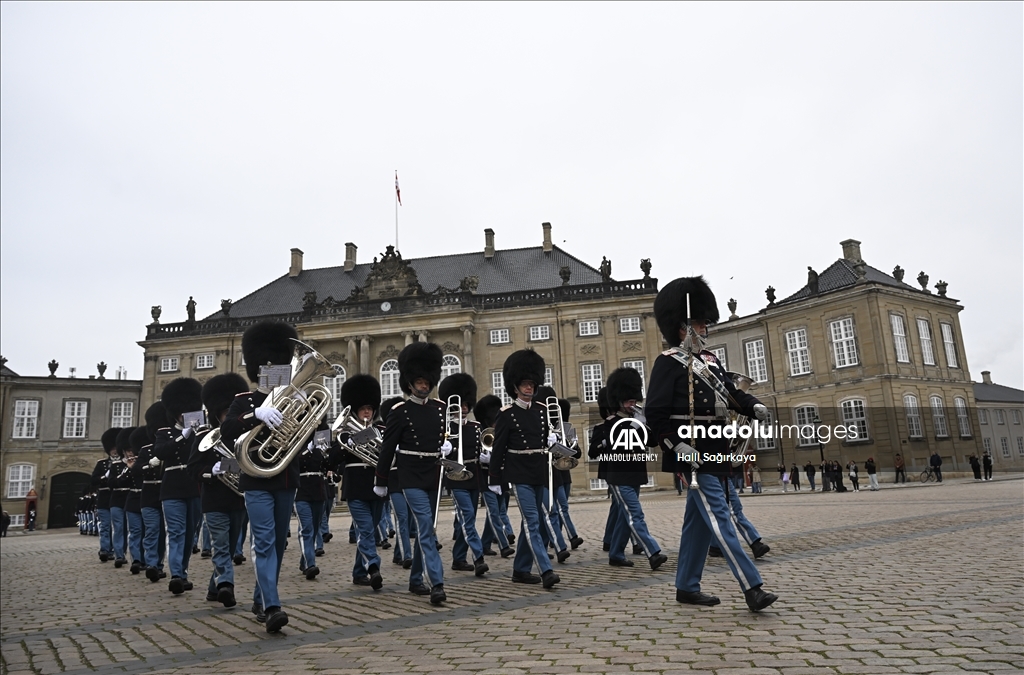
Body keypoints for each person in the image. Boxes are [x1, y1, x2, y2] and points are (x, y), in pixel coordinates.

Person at [647, 275, 778, 612]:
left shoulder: (712, 362)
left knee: (699, 523)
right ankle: (752, 586)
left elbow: (732, 396)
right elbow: (657, 416)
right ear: (682, 327)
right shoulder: (667, 362)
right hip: (692, 452)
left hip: (717, 449)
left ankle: (687, 586)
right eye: (700, 323)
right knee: (720, 517)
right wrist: (676, 447)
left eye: (705, 323)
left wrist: (754, 406)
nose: (705, 328)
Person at [220, 320, 308, 633]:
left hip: (285, 479)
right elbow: (227, 430)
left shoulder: (292, 400)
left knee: (279, 544)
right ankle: (272, 606)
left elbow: (304, 443)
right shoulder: (244, 401)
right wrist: (254, 415)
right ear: (260, 368)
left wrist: (300, 417)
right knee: (265, 541)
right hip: (255, 479)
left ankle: (261, 596)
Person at [373, 342, 449, 605]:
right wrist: (381, 481)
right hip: (410, 476)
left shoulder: (440, 410)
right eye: (418, 381)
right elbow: (388, 449)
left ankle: (416, 579)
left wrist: (448, 446)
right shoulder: (399, 412)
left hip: (433, 475)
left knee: (425, 529)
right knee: (427, 527)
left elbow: (445, 440)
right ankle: (436, 582)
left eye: (427, 381)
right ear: (409, 383)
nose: (423, 385)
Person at [488, 349, 561, 590]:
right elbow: (498, 450)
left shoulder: (541, 411)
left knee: (535, 522)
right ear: (515, 387)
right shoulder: (506, 415)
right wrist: (494, 478)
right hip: (518, 473)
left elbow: (545, 440)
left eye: (531, 384)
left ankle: (520, 569)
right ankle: (546, 570)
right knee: (531, 521)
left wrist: (552, 441)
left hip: (538, 471)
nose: (529, 388)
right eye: (525, 385)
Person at [188, 372, 251, 609]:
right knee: (221, 544)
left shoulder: (245, 437)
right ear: (217, 413)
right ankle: (226, 585)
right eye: (226, 413)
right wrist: (210, 470)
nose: (229, 417)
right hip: (214, 499)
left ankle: (214, 588)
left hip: (238, 499)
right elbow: (192, 468)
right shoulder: (205, 436)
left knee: (232, 543)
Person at [599, 368, 667, 571]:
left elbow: (653, 442)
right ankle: (652, 551)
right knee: (635, 514)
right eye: (628, 401)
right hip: (619, 476)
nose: (632, 404)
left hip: (635, 474)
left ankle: (616, 554)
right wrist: (636, 427)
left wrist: (647, 424)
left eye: (633, 400)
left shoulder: (636, 419)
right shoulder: (612, 423)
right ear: (619, 401)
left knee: (623, 516)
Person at [154, 378, 204, 595]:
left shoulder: (200, 433)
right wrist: (181, 438)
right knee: (176, 532)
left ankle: (182, 572)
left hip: (193, 488)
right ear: (175, 413)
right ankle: (175, 574)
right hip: (173, 488)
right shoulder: (164, 433)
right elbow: (161, 452)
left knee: (190, 534)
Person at [338, 375, 387, 590]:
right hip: (356, 486)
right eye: (362, 408)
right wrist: (343, 445)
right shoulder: (345, 433)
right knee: (366, 529)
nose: (366, 412)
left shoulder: (381, 431)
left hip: (377, 486)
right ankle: (373, 567)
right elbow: (333, 461)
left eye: (369, 408)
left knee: (368, 529)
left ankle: (359, 572)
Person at [439, 373, 490, 578]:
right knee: (467, 517)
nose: (464, 409)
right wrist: (444, 448)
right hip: (456, 476)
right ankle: (478, 558)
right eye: (461, 405)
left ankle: (459, 558)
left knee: (465, 520)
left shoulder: (476, 427)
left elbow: (483, 448)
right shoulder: (446, 428)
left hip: (474, 476)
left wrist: (486, 456)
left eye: (467, 405)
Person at [475, 395, 515, 558]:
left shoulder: (503, 431)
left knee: (497, 511)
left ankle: (485, 544)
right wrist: (481, 457)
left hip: (501, 476)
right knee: (494, 512)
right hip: (485, 477)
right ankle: (504, 545)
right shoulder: (479, 433)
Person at [139, 402, 168, 582]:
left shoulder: (171, 446)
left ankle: (159, 564)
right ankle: (150, 564)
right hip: (149, 495)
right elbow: (136, 471)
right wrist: (149, 464)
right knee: (152, 531)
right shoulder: (146, 450)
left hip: (165, 493)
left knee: (163, 533)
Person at [92, 428, 120, 562]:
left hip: (117, 498)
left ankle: (115, 549)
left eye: (116, 448)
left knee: (117, 526)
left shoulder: (122, 464)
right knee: (105, 526)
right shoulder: (101, 464)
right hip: (104, 499)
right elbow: (93, 480)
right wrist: (105, 477)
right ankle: (104, 549)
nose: (114, 451)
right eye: (112, 448)